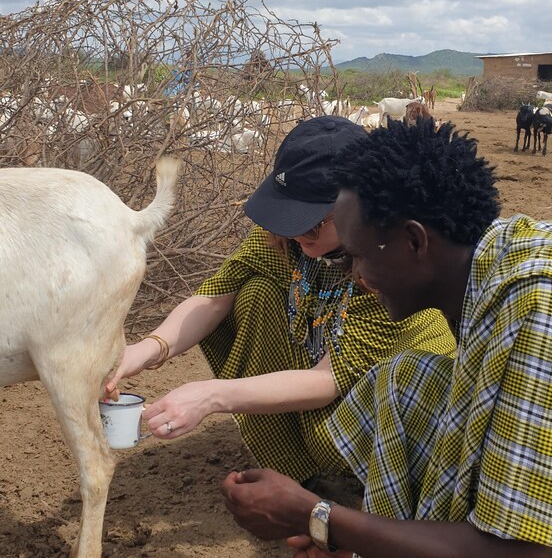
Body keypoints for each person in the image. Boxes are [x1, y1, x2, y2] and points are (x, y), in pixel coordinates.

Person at [221, 118, 552, 557]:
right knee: (406, 381)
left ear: (414, 242)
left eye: (358, 256)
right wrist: (338, 535)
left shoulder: (535, 304)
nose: (356, 275)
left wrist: (317, 516)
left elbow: (520, 552)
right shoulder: (485, 278)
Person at [105, 116, 456, 484]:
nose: (296, 232)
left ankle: (366, 482)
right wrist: (142, 353)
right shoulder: (285, 241)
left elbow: (329, 379)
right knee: (254, 292)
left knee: (328, 439)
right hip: (327, 360)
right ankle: (291, 470)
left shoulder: (386, 265)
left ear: (358, 208)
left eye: (313, 222)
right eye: (289, 216)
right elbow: (214, 297)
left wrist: (211, 397)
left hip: (395, 397)